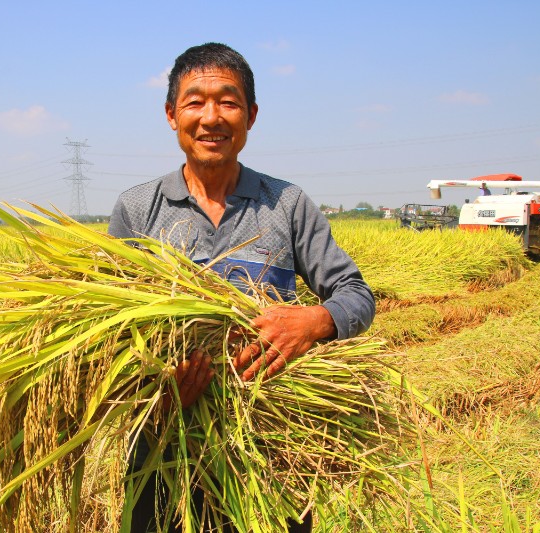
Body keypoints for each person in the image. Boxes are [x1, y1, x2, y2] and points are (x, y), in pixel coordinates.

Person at [109, 42, 375, 533]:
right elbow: (105, 340)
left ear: (251, 116)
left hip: (270, 456)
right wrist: (155, 392)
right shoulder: (137, 209)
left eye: (228, 102)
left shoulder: (288, 204)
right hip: (165, 455)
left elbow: (356, 294)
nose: (212, 117)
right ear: (171, 114)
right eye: (195, 102)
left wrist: (315, 321)